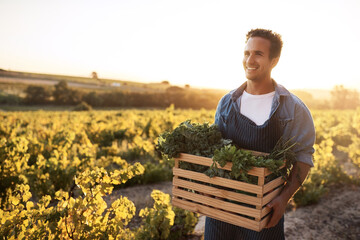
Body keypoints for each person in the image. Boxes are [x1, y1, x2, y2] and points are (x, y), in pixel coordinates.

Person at [204, 28, 316, 239]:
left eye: (258, 54)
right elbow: (215, 151)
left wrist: (283, 200)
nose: (250, 59)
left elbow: (303, 160)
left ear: (274, 60)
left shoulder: (293, 109)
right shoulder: (227, 103)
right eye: (247, 53)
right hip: (221, 207)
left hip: (264, 211)